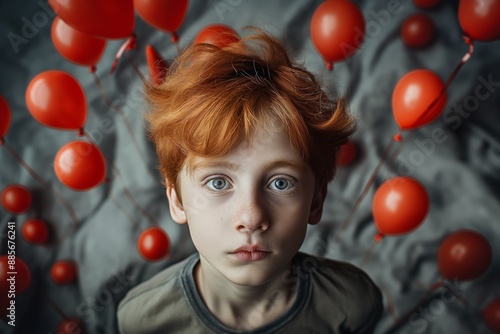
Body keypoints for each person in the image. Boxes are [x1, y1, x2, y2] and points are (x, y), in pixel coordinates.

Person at [117, 28, 383, 333]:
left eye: (281, 183)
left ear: (316, 200)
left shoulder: (352, 303)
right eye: (218, 182)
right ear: (176, 199)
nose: (252, 217)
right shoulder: (142, 320)